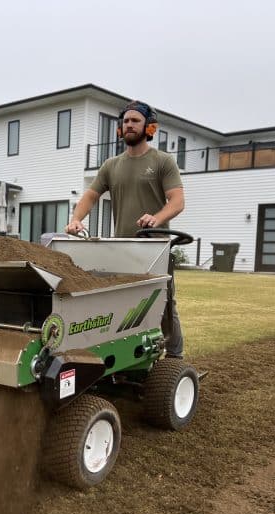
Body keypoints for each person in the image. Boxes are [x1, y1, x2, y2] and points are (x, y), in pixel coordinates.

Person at [64, 100, 186, 358]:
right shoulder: (111, 165)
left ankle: (175, 357)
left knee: (163, 304)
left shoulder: (163, 161)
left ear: (149, 127)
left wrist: (156, 217)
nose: (129, 125)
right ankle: (133, 353)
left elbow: (177, 201)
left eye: (135, 121)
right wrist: (76, 219)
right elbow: (90, 196)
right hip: (122, 247)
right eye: (126, 121)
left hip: (155, 247)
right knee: (123, 303)